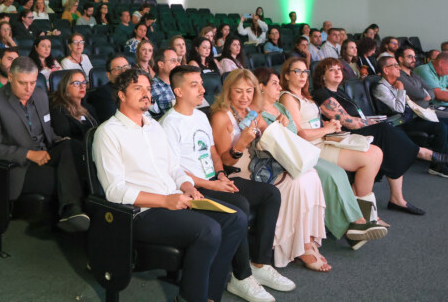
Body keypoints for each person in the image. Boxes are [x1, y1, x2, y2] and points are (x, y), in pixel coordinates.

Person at [92, 67, 248, 302]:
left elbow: (174, 168)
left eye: (148, 88)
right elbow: (115, 191)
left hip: (175, 198)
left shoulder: (154, 126)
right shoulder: (108, 133)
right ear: (121, 95)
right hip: (142, 212)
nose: (146, 93)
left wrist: (188, 186)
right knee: (209, 230)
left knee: (236, 219)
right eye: (138, 88)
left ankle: (210, 295)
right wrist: (166, 200)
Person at [161, 65, 294, 301]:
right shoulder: (169, 124)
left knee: (270, 194)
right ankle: (241, 277)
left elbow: (213, 152)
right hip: (193, 187)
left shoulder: (199, 116)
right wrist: (212, 184)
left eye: (201, 84)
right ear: (178, 91)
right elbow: (175, 170)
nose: (202, 89)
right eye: (195, 85)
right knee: (239, 204)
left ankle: (260, 264)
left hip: (215, 179)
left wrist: (221, 175)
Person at [210, 69, 328, 271]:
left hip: (261, 166)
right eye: (238, 91)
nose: (245, 97)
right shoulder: (222, 117)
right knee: (297, 182)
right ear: (228, 91)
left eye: (249, 91)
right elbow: (224, 161)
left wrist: (281, 124)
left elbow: (271, 135)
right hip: (239, 173)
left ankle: (305, 241)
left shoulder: (251, 112)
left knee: (310, 174)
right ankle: (294, 247)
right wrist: (241, 143)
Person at [272, 61, 389, 246]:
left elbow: (314, 125)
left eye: (305, 71)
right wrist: (326, 129)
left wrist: (330, 126)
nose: (303, 75)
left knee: (375, 153)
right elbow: (300, 134)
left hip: (324, 140)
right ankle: (360, 220)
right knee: (368, 159)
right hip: (311, 148)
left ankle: (364, 216)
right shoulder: (288, 98)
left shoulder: (305, 96)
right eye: (297, 71)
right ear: (286, 75)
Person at [0, 57, 89, 232]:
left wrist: (60, 141)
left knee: (74, 148)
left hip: (45, 154)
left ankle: (73, 212)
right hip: (19, 167)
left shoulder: (40, 95)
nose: (29, 88)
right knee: (70, 177)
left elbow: (48, 132)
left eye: (33, 82)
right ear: (11, 77)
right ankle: (72, 210)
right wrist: (28, 154)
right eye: (23, 83)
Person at [311, 59, 433, 215]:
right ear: (322, 76)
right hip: (344, 135)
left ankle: (396, 200)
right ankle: (419, 152)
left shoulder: (340, 91)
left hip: (358, 129)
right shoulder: (322, 94)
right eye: (331, 70)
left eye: (339, 69)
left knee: (389, 140)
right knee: (385, 131)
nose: (337, 72)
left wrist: (372, 120)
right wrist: (372, 121)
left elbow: (356, 118)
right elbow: (348, 122)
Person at [370, 56, 448, 177]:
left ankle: (446, 159)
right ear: (386, 70)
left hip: (411, 116)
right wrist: (401, 90)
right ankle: (437, 165)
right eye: (395, 65)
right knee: (441, 127)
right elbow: (399, 109)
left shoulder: (396, 83)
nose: (399, 68)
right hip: (400, 122)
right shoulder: (381, 88)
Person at [394, 47, 448, 170]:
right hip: (416, 113)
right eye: (410, 57)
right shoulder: (400, 76)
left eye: (414, 57)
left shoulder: (413, 74)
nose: (414, 59)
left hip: (427, 108)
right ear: (400, 59)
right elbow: (420, 93)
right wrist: (424, 95)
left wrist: (425, 95)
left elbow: (430, 92)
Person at [50, 68, 98, 141]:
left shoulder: (88, 107)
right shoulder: (59, 110)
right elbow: (66, 140)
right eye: (77, 83)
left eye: (84, 82)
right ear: (66, 87)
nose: (82, 86)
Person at [86, 54, 131, 122]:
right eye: (117, 69)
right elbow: (114, 122)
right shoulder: (103, 94)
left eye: (126, 67)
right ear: (108, 75)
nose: (123, 71)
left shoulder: (135, 87)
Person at [149, 48, 180, 119]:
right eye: (173, 61)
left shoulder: (181, 83)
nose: (178, 64)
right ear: (161, 64)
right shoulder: (151, 87)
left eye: (178, 60)